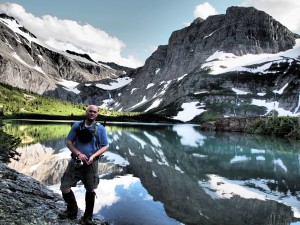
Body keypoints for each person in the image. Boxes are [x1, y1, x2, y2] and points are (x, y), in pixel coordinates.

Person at [59, 105, 109, 224]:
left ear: (97, 114)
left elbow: (105, 145)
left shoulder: (100, 128)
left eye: (94, 112)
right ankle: (72, 211)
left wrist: (93, 156)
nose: (92, 113)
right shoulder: (77, 125)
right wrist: (78, 153)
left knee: (90, 189)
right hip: (76, 162)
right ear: (86, 112)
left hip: (91, 163)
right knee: (65, 187)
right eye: (90, 111)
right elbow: (69, 141)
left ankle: (87, 217)